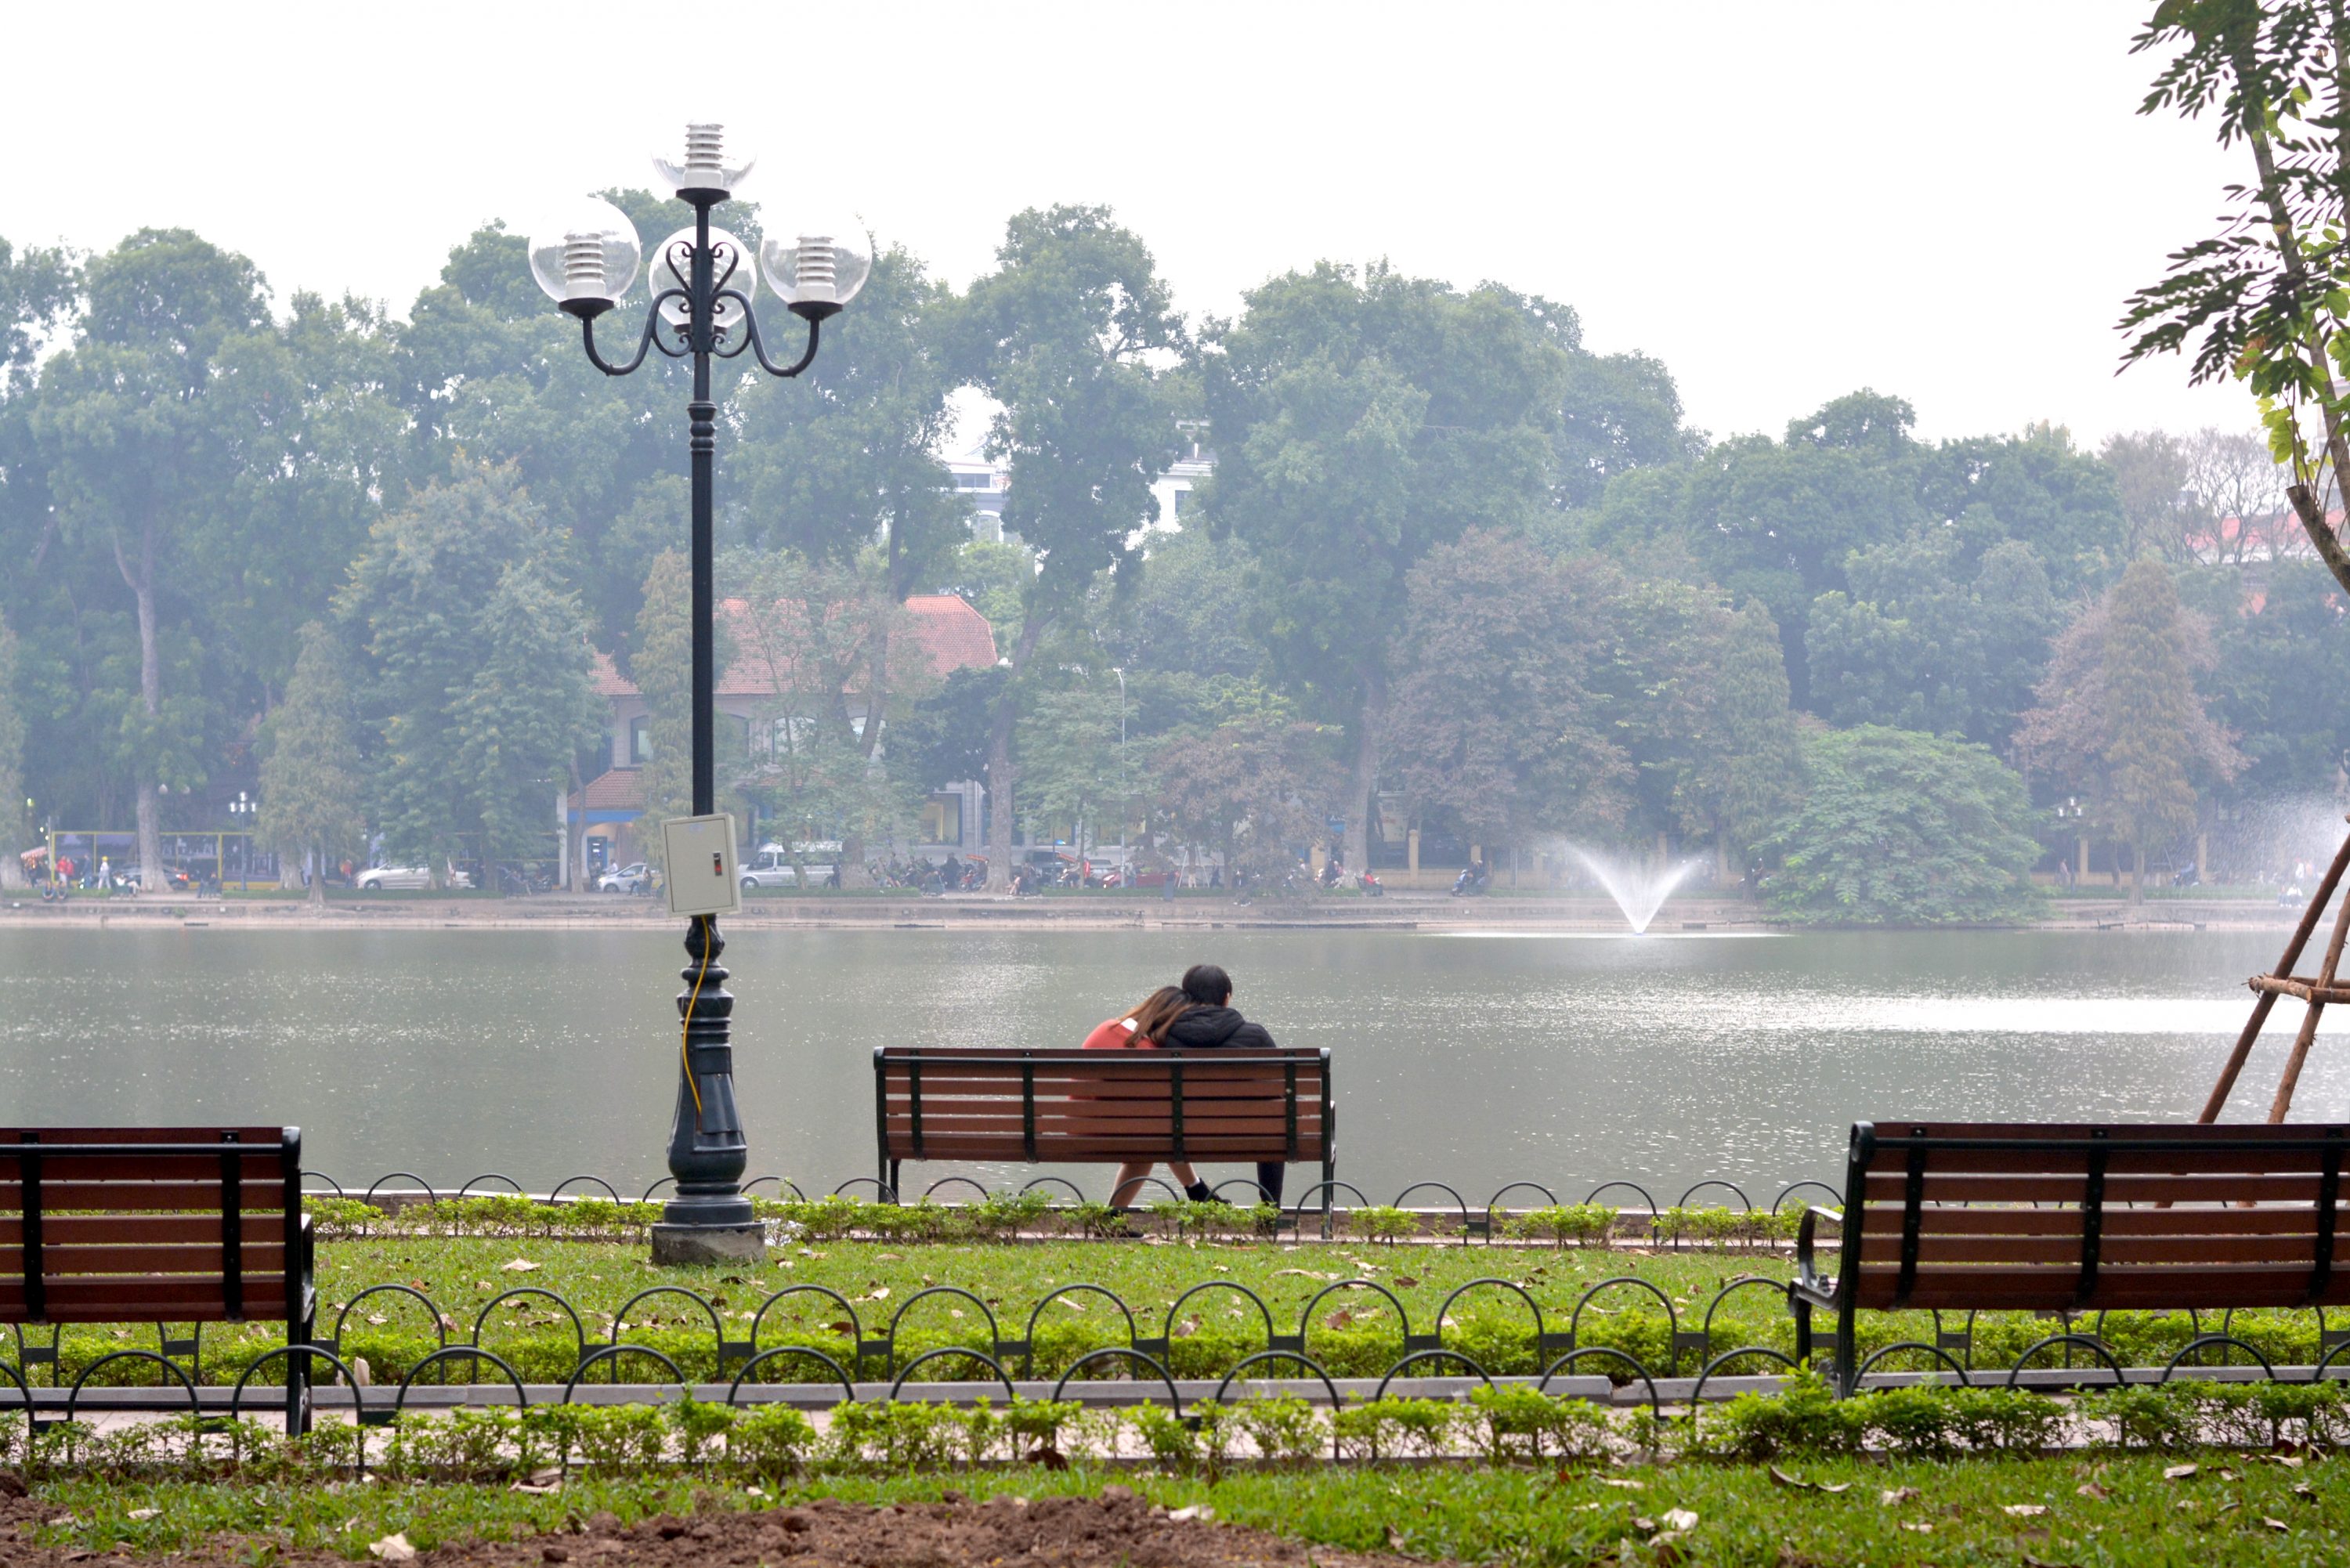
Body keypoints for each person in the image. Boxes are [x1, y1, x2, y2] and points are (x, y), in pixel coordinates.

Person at [1164, 963, 1289, 1205]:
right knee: (1276, 1117)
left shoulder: (1164, 1036)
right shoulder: (1255, 1036)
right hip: (1250, 1132)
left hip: (1181, 1132)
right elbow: (1281, 1087)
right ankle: (1269, 1211)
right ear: (1226, 998)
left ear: (1186, 997)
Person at [1080, 987, 1212, 1206]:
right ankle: (1196, 1189)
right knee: (1159, 1136)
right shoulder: (1147, 1051)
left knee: (1156, 1133)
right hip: (1101, 1131)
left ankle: (1195, 1189)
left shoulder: (1108, 1027)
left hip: (1079, 1124)